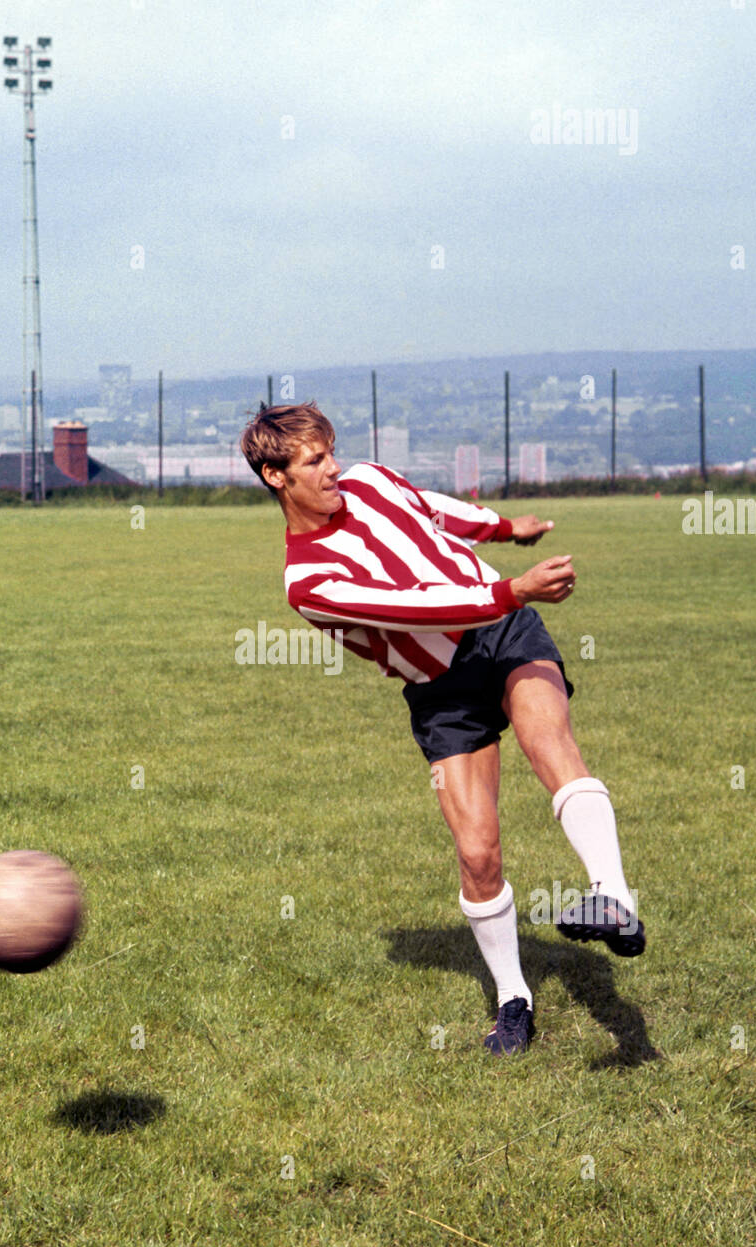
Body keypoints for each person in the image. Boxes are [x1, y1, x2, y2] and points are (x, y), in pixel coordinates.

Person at [240, 401, 647, 1057]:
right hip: (442, 687)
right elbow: (414, 608)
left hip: (505, 631)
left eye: (331, 451)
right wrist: (512, 589)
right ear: (274, 477)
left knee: (551, 745)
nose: (334, 468)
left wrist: (508, 529)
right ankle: (515, 999)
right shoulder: (308, 580)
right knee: (479, 853)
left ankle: (613, 896)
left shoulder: (367, 480)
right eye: (314, 461)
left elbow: (432, 509)